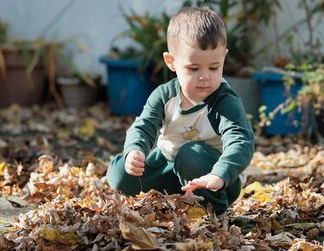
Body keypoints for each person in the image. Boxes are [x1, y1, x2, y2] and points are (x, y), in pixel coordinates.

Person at [106, 6, 254, 216]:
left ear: (224, 58)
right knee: (120, 173)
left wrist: (220, 175)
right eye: (194, 68)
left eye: (214, 67)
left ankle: (213, 211)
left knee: (190, 155)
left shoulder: (225, 101)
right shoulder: (165, 95)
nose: (205, 76)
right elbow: (144, 125)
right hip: (169, 166)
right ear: (172, 62)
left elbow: (241, 140)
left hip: (212, 177)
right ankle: (174, 198)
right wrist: (135, 150)